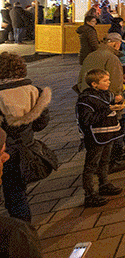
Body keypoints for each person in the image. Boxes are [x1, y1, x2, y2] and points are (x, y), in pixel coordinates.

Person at [0, 52, 51, 222]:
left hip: (4, 151)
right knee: (17, 192)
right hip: (25, 149)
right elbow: (40, 124)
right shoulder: (35, 91)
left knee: (11, 191)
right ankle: (24, 228)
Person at [77, 33, 125, 170]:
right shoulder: (112, 58)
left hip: (89, 100)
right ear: (115, 43)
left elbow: (80, 79)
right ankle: (109, 163)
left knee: (95, 132)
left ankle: (97, 164)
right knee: (110, 132)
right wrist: (116, 101)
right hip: (106, 101)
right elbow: (116, 83)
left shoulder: (91, 55)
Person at [76, 69, 124, 207]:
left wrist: (118, 102)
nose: (109, 82)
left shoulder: (107, 94)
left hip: (108, 134)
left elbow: (109, 106)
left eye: (108, 79)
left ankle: (104, 184)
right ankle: (89, 194)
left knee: (105, 160)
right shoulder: (86, 99)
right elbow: (87, 120)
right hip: (96, 136)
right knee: (91, 165)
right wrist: (108, 109)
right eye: (105, 80)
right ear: (94, 84)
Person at [0, 127, 42, 257]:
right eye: (1, 153)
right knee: (17, 198)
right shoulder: (11, 233)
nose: (5, 157)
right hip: (20, 150)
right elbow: (41, 122)